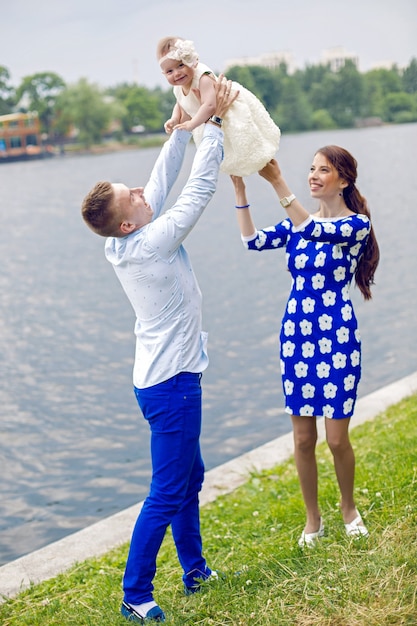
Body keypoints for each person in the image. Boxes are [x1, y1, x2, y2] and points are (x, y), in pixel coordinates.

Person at [81, 76, 238, 623]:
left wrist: (178, 132)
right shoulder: (150, 242)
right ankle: (135, 594)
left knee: (189, 479)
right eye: (135, 198)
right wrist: (211, 125)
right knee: (168, 490)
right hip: (172, 385)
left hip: (160, 380)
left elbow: (159, 182)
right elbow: (195, 191)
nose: (144, 194)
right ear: (128, 220)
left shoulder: (120, 241)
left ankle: (194, 570)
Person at [230, 147, 380, 547]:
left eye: (323, 170)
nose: (313, 176)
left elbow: (315, 230)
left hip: (338, 338)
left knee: (335, 439)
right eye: (311, 169)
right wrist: (241, 190)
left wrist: (278, 182)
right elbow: (251, 241)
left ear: (344, 180)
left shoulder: (357, 226)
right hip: (297, 336)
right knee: (301, 439)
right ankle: (313, 519)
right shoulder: (296, 223)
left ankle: (349, 508)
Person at [156, 36, 281, 176]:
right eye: (169, 71)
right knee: (228, 157)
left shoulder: (203, 78)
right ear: (164, 73)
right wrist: (174, 119)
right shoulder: (178, 87)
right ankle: (238, 185)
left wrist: (191, 124)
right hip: (208, 120)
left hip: (228, 112)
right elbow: (181, 104)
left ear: (192, 62)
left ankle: (265, 165)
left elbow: (210, 105)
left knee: (246, 146)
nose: (177, 73)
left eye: (180, 65)